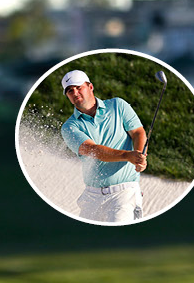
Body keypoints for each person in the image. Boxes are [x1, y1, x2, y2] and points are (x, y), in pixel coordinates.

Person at [57, 69, 148, 222]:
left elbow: (138, 132)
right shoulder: (70, 127)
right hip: (91, 197)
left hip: (124, 192)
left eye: (79, 87)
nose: (75, 93)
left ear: (90, 87)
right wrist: (128, 156)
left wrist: (139, 156)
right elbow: (93, 150)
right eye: (70, 91)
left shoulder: (118, 106)